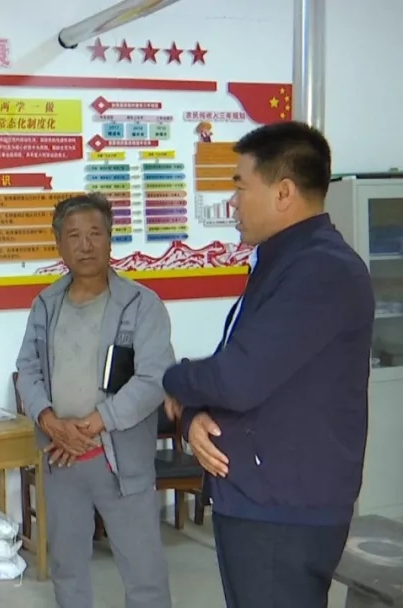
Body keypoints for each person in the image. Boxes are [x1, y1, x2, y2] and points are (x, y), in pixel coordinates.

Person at [163, 121, 374, 608]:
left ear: (283, 193)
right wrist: (192, 416)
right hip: (257, 499)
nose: (232, 202)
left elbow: (236, 379)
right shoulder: (281, 262)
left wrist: (174, 379)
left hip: (285, 512)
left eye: (240, 186)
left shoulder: (322, 270)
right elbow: (241, 368)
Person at [15, 193, 174, 608]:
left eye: (94, 234)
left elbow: (154, 378)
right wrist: (50, 421)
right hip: (62, 457)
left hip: (119, 460)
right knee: (67, 568)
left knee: (143, 572)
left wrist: (96, 422)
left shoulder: (141, 304)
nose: (85, 245)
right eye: (73, 236)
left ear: (109, 238)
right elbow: (28, 369)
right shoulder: (46, 305)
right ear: (59, 244)